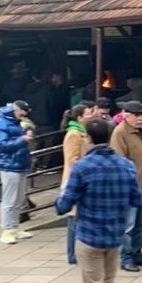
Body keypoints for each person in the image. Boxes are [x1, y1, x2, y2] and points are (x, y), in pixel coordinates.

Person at [55, 118, 142, 283]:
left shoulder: (83, 167)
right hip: (115, 235)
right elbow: (137, 200)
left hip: (89, 235)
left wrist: (60, 200)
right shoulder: (126, 166)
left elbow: (64, 204)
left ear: (89, 138)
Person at [109, 100, 142, 272]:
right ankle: (126, 257)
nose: (140, 118)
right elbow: (119, 161)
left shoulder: (141, 130)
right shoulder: (120, 132)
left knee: (141, 223)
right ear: (126, 115)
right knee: (128, 225)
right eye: (137, 115)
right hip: (129, 187)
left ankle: (137, 254)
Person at [0, 100, 34, 245]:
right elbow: (1, 145)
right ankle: (7, 230)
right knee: (10, 199)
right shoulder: (1, 122)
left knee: (19, 198)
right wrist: (22, 139)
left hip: (21, 163)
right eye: (22, 113)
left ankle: (14, 228)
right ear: (15, 110)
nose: (24, 116)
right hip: (9, 165)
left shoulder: (17, 122)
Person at [61, 105, 92, 265]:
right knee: (73, 218)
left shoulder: (81, 132)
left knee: (78, 218)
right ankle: (73, 255)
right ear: (79, 117)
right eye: (88, 113)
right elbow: (72, 159)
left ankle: (77, 253)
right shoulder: (73, 134)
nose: (91, 115)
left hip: (80, 179)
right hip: (73, 180)